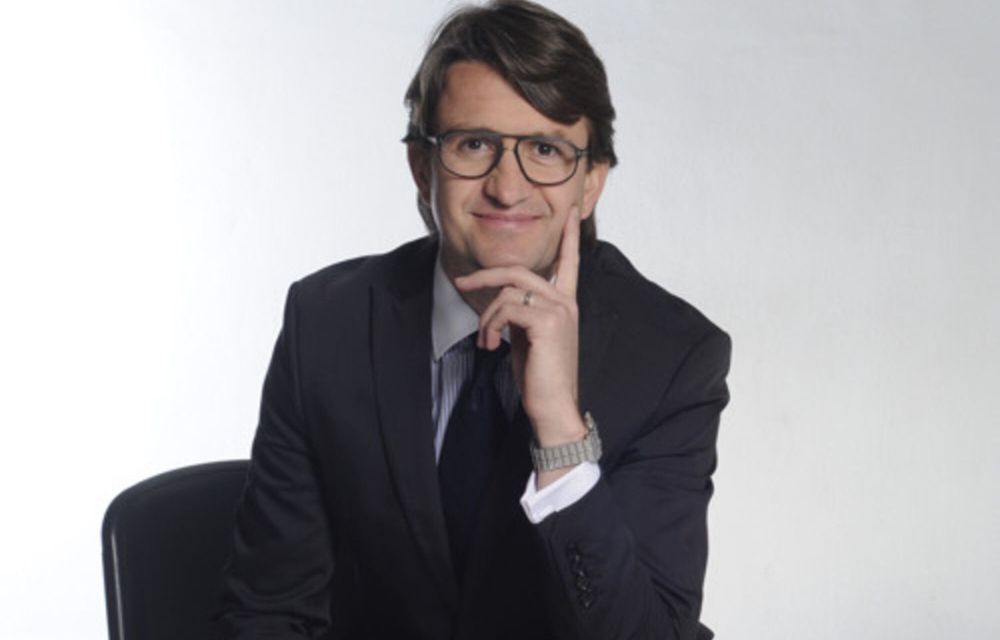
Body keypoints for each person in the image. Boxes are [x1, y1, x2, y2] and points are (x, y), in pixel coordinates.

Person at [219, 2, 730, 639]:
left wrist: (560, 432)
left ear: (591, 182)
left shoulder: (672, 359)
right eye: (474, 144)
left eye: (545, 149)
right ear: (421, 166)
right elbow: (269, 612)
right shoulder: (326, 324)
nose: (507, 188)